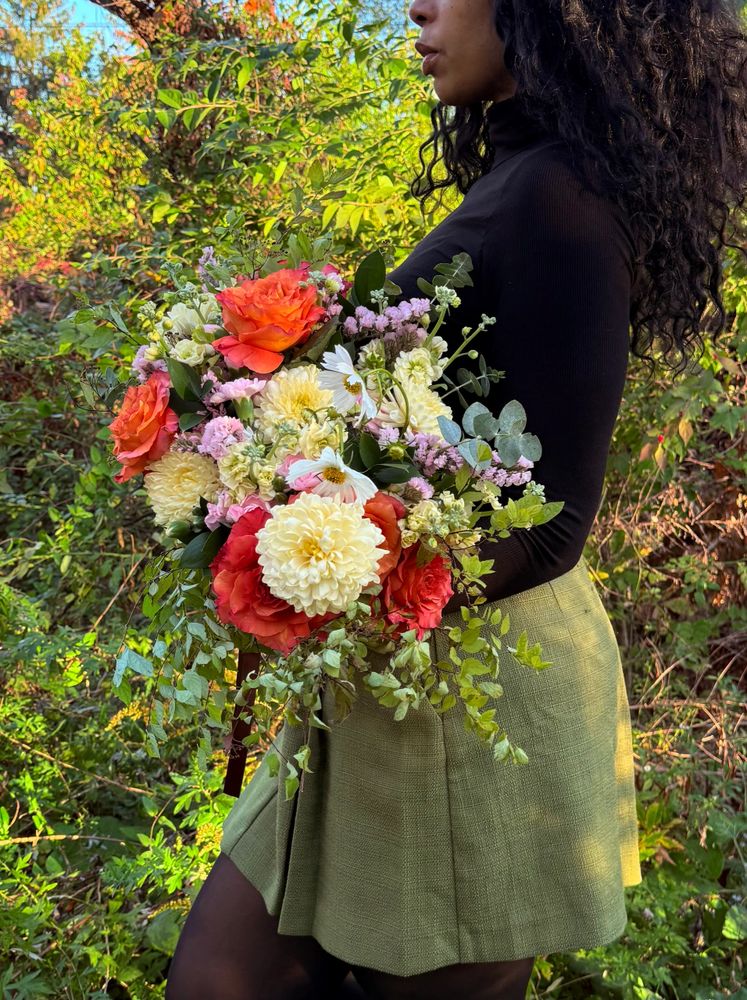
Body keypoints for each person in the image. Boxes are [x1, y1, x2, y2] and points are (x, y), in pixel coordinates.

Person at [166, 0, 747, 997]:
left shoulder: (561, 195)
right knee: (221, 973)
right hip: (397, 668)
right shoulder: (525, 176)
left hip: (483, 687)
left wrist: (339, 577)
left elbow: (556, 518)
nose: (418, 8)